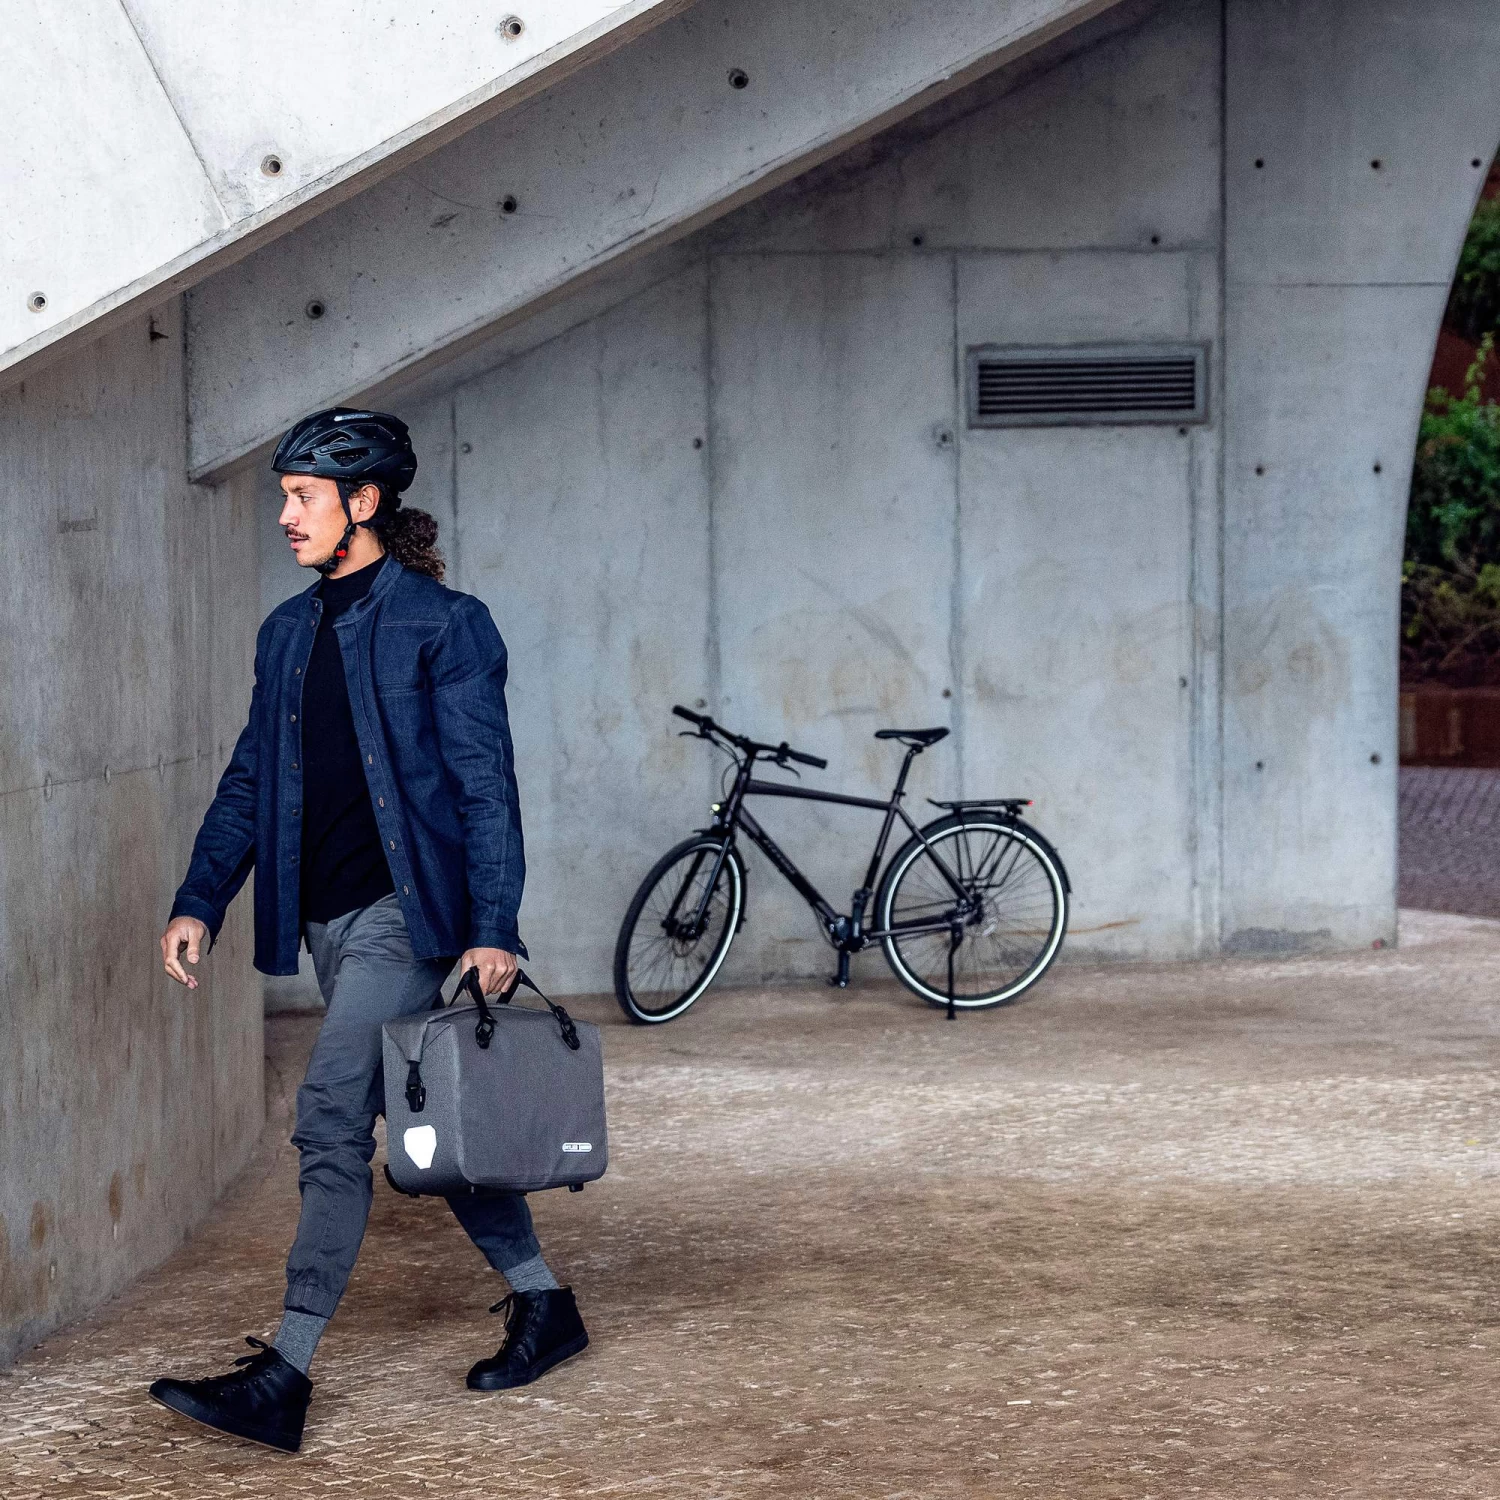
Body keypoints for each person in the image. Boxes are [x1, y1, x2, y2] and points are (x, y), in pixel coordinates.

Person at [149, 408, 587, 1454]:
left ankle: (287, 1372)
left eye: (303, 497)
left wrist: (493, 927)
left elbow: (485, 786)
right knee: (434, 1124)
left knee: (330, 1116)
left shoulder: (445, 625)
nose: (286, 516)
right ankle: (545, 1302)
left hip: (412, 918)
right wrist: (201, 896)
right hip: (328, 923)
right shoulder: (285, 633)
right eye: (285, 497)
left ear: (365, 502)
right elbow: (252, 778)